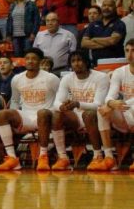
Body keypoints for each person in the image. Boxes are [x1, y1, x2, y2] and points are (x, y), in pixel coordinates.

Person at [0, 48, 60, 170]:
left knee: (42, 113)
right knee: (2, 114)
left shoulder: (51, 78)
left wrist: (55, 113)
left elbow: (60, 98)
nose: (30, 61)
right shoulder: (17, 79)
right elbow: (14, 100)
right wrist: (14, 113)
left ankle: (43, 156)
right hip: (26, 116)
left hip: (46, 116)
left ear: (40, 61)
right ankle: (12, 158)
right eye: (28, 58)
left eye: (34, 59)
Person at [48, 51, 109, 171]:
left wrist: (77, 103)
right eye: (73, 61)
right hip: (76, 116)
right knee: (56, 114)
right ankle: (63, 157)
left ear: (86, 62)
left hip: (97, 116)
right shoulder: (67, 78)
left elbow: (99, 105)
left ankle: (98, 156)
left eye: (79, 60)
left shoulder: (101, 77)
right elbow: (56, 102)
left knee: (88, 114)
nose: (76, 63)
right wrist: (62, 107)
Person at [93, 39, 134, 171]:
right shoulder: (119, 72)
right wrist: (110, 103)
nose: (130, 54)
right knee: (101, 110)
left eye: (133, 51)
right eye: (127, 51)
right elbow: (110, 96)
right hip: (125, 114)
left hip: (128, 109)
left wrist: (117, 103)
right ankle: (109, 157)